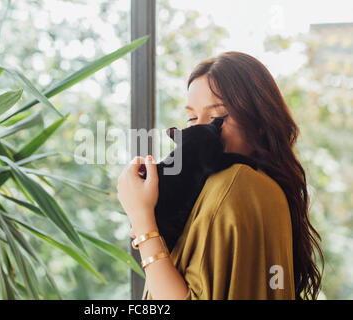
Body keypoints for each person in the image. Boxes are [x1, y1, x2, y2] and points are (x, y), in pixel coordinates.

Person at [117, 51, 324, 300]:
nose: (202, 127)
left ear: (259, 121)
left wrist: (143, 221)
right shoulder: (267, 190)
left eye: (217, 117)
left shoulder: (234, 183)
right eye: (192, 118)